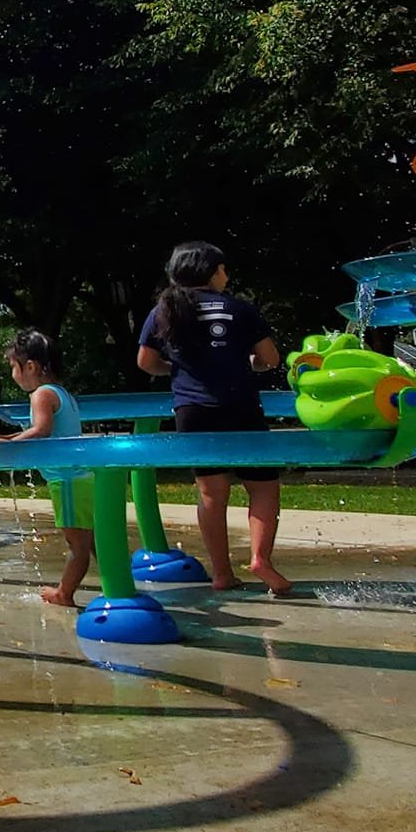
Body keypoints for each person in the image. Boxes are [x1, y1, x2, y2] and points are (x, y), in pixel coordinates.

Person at [136, 241, 292, 595]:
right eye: (223, 268)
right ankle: (260, 559)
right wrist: (245, 363)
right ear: (210, 271)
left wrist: (176, 369)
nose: (227, 275)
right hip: (242, 407)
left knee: (211, 494)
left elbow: (146, 362)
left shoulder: (164, 310)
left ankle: (221, 574)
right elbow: (270, 359)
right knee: (263, 485)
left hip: (192, 411)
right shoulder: (239, 309)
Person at [0, 329, 93, 608]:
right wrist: (6, 439)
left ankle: (64, 594)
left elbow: (41, 430)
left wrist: (7, 447)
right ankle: (115, 581)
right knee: (92, 541)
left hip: (67, 479)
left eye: (13, 367)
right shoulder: (64, 394)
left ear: (31, 367)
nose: (13, 373)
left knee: (78, 546)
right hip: (83, 476)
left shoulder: (41, 394)